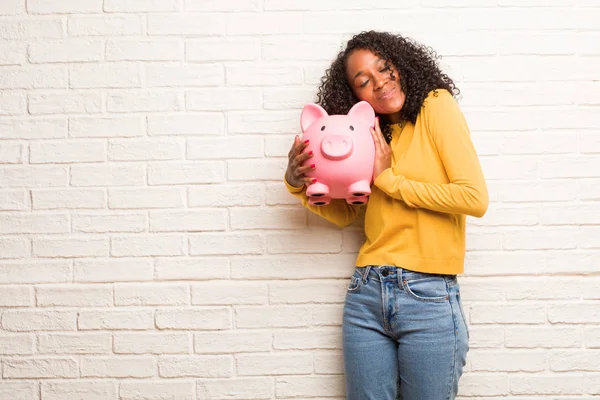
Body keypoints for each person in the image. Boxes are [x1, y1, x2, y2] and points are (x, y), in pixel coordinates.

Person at [284, 31, 488, 400]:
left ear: (401, 64)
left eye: (384, 68)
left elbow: (473, 198)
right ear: (355, 97)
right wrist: (299, 184)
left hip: (427, 292)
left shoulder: (435, 106)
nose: (379, 83)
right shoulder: (368, 133)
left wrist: (390, 179)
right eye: (364, 81)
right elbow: (347, 214)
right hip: (366, 291)